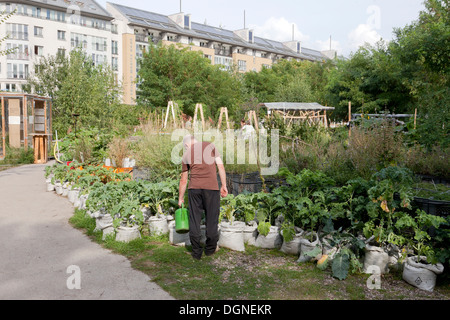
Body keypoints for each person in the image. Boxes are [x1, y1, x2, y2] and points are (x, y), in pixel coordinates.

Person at [178, 135, 228, 260]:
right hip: (211, 189)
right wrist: (224, 185)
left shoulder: (186, 155)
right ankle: (210, 250)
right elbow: (220, 167)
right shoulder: (210, 146)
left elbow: (183, 180)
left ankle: (196, 252)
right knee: (212, 219)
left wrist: (180, 198)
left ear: (186, 145)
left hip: (194, 189)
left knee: (195, 220)